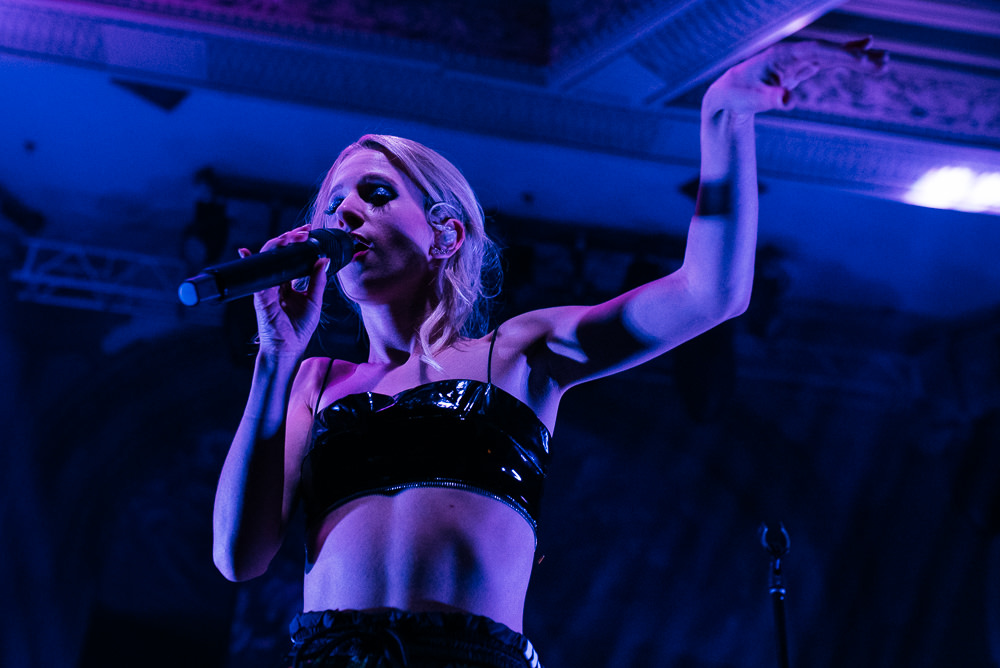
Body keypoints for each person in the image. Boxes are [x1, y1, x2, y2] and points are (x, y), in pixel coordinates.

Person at [212, 38, 886, 667]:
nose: (346, 213)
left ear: (446, 233)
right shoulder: (314, 381)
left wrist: (724, 117)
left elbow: (711, 293)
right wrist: (274, 356)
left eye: (376, 194)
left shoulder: (520, 352)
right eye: (334, 203)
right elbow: (238, 558)